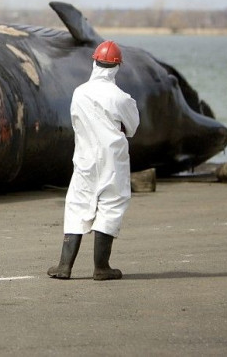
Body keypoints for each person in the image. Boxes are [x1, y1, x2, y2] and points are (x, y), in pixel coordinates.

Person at [48, 40, 140, 281]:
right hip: (112, 159)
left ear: (94, 62)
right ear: (116, 67)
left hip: (85, 157)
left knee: (77, 203)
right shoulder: (121, 98)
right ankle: (101, 267)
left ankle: (64, 266)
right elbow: (132, 127)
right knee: (111, 204)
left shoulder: (79, 93)